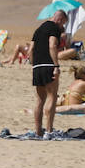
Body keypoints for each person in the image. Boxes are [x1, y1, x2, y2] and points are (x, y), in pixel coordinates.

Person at [31, 9, 67, 139]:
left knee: (40, 100)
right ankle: (49, 130)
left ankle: (38, 131)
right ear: (60, 19)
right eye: (63, 23)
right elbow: (52, 45)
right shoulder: (54, 28)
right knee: (52, 96)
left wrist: (33, 64)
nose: (63, 27)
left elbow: (31, 49)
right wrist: (56, 65)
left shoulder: (38, 29)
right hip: (49, 65)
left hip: (37, 66)